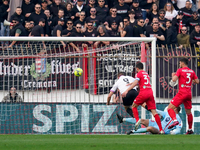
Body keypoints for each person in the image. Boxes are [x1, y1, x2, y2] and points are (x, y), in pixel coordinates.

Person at [122, 62, 164, 134]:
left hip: (144, 92)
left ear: (137, 69)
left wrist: (127, 90)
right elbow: (141, 82)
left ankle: (137, 120)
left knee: (134, 106)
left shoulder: (139, 73)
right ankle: (161, 130)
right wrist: (132, 83)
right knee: (154, 112)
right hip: (150, 92)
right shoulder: (146, 74)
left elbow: (136, 82)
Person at [167, 58, 199, 134]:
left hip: (182, 93)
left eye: (180, 63)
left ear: (182, 63)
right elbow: (197, 81)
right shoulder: (191, 71)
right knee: (189, 112)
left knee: (169, 108)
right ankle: (190, 129)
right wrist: (192, 80)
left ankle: (175, 121)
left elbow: (174, 80)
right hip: (188, 94)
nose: (179, 64)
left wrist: (173, 76)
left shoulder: (180, 70)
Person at [117, 106, 182, 135]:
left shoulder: (178, 119)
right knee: (142, 120)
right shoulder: (167, 113)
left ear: (175, 109)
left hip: (161, 130)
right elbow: (158, 111)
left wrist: (174, 132)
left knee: (149, 128)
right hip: (157, 124)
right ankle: (123, 119)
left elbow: (178, 128)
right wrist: (150, 107)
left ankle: (132, 131)